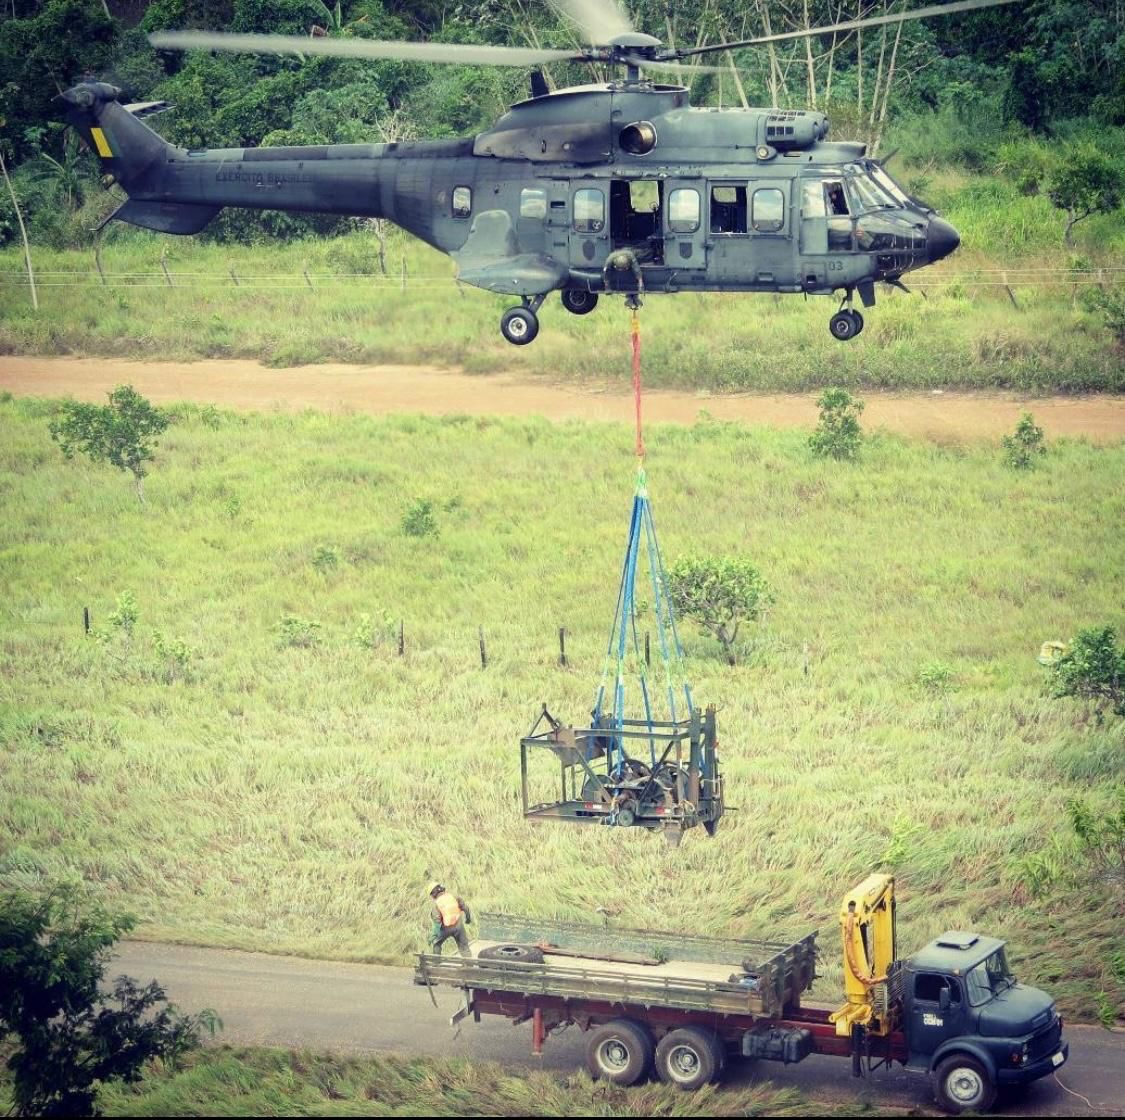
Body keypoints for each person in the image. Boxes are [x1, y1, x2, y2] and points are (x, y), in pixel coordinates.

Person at [427, 881, 472, 958]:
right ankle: (468, 963)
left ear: (434, 893)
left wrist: (433, 937)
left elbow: (437, 924)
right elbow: (465, 908)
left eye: (431, 895)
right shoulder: (453, 897)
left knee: (437, 944)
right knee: (464, 947)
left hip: (446, 928)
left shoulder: (437, 904)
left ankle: (436, 963)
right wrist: (468, 918)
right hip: (458, 925)